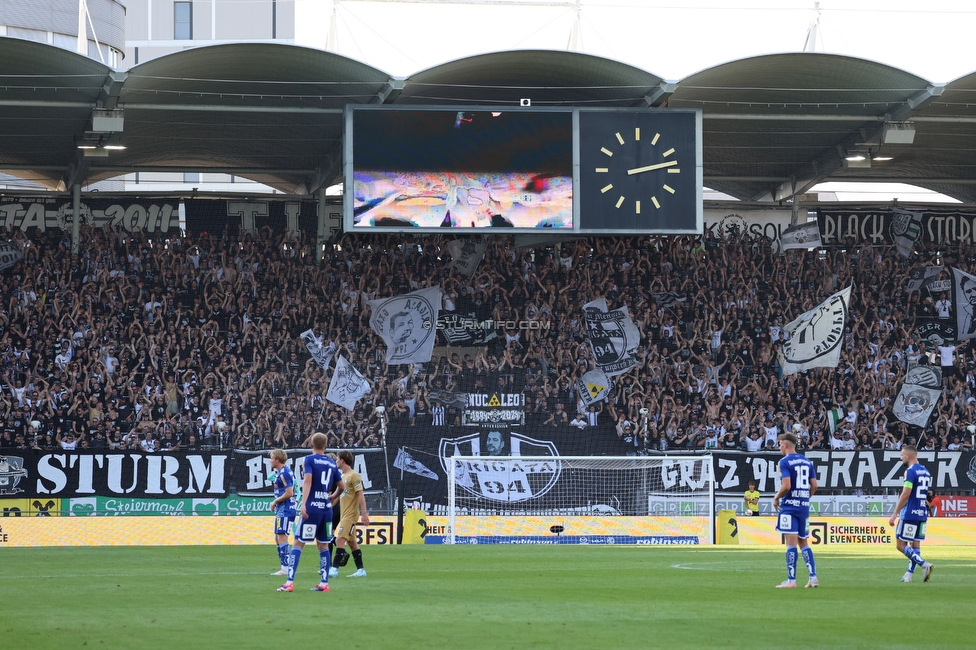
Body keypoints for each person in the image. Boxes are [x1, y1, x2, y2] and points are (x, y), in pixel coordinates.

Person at [278, 432, 344, 593]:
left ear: (311, 445)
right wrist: (332, 497)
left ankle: (289, 582)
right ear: (326, 446)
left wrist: (304, 504)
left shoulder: (309, 460)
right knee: (323, 545)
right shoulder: (331, 463)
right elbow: (342, 487)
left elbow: (307, 481)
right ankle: (323, 583)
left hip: (312, 508)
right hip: (326, 510)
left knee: (298, 543)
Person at [772, 432, 819, 588]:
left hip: (789, 507)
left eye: (780, 444)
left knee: (790, 543)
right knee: (804, 542)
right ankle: (813, 577)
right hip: (803, 507)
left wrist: (776, 498)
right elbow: (815, 485)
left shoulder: (784, 462)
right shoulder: (807, 461)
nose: (779, 447)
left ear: (785, 445)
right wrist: (805, 498)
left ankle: (791, 580)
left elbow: (786, 486)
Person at [888, 445, 935, 583]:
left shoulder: (910, 471)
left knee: (900, 545)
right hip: (922, 512)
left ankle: (924, 564)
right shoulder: (926, 471)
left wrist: (895, 513)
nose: (900, 457)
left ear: (908, 456)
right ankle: (908, 575)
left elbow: (906, 493)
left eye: (902, 454)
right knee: (915, 546)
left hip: (909, 513)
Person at [332, 449, 371, 578]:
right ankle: (361, 570)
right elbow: (337, 496)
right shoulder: (342, 477)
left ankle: (334, 568)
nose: (336, 461)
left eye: (337, 459)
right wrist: (328, 506)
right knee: (352, 542)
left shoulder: (354, 476)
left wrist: (364, 513)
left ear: (342, 460)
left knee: (340, 539)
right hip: (344, 514)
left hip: (351, 515)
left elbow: (360, 494)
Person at [268, 448, 297, 577]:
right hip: (282, 509)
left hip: (286, 509)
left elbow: (289, 493)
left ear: (277, 460)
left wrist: (275, 501)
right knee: (278, 537)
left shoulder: (284, 473)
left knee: (282, 537)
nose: (270, 460)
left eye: (272, 458)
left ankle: (286, 567)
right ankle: (284, 566)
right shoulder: (280, 472)